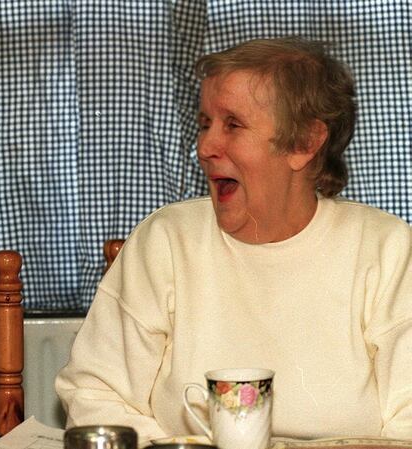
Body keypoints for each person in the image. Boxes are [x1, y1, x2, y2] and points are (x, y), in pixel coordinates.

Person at [56, 37, 412, 441]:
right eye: (204, 123)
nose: (204, 147)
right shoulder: (167, 242)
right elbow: (95, 393)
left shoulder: (389, 252)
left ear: (305, 143)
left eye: (233, 125)